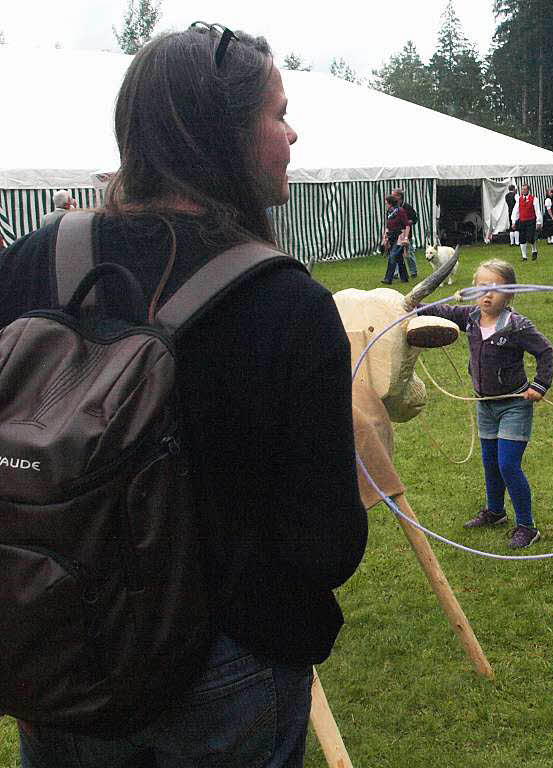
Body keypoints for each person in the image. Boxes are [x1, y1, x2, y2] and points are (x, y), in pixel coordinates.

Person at [2, 22, 368, 766]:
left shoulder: (35, 260)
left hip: (59, 643)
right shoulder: (288, 304)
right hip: (223, 672)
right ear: (221, 135)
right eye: (278, 113)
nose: (293, 134)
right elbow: (325, 543)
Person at [419, 259, 553, 549]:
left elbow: (545, 352)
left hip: (514, 405)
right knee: (490, 462)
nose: (488, 295)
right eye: (482, 288)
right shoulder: (470, 318)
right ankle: (495, 512)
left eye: (496, 289)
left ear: (510, 294)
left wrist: (539, 386)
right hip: (486, 405)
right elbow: (442, 311)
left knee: (508, 464)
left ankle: (527, 527)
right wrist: (412, 308)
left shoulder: (517, 326)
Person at [381, 194, 411, 284]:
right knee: (399, 258)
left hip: (399, 236)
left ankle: (388, 278)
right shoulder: (389, 212)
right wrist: (385, 236)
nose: (385, 205)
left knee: (392, 256)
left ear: (391, 204)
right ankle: (404, 277)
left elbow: (407, 225)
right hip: (391, 236)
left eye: (386, 203)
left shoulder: (400, 211)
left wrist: (406, 238)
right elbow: (388, 225)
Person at [511, 183, 542, 261]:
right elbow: (516, 211)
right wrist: (514, 221)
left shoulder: (534, 199)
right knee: (522, 238)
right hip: (522, 220)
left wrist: (538, 222)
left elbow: (537, 211)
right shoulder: (519, 199)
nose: (523, 191)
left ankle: (534, 250)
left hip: (531, 220)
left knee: (530, 238)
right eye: (522, 189)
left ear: (528, 190)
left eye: (525, 189)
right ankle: (524, 256)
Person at [393, 188, 418, 277]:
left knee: (409, 254)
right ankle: (395, 272)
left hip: (407, 234)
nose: (392, 197)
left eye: (394, 195)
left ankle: (413, 271)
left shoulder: (407, 207)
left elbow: (414, 219)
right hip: (396, 234)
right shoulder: (393, 207)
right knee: (395, 253)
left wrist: (406, 222)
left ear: (399, 196)